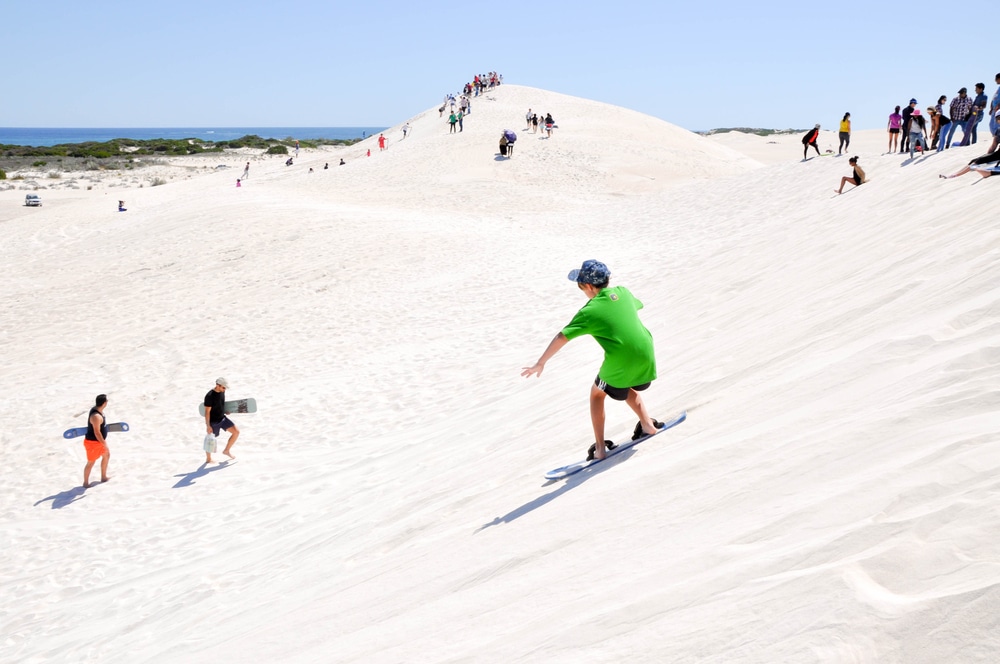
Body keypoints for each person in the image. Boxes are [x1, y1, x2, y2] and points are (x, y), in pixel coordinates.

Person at [521, 260, 661, 461]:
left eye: (580, 286)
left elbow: (563, 336)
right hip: (647, 359)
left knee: (597, 393)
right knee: (621, 385)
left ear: (587, 286)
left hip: (622, 362)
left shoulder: (590, 311)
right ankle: (647, 424)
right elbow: (634, 307)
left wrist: (540, 362)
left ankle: (600, 449)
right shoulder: (623, 292)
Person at [204, 377, 239, 460]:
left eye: (225, 387)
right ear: (217, 385)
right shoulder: (209, 396)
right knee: (210, 440)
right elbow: (207, 412)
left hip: (222, 418)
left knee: (236, 432)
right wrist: (208, 426)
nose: (225, 389)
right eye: (223, 387)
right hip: (213, 422)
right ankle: (208, 459)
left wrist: (225, 411)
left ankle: (226, 451)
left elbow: (219, 404)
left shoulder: (222, 391)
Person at [82, 394, 111, 487]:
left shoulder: (98, 410)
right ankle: (85, 483)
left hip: (98, 442)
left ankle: (103, 477)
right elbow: (97, 432)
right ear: (104, 403)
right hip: (93, 443)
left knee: (106, 455)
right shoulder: (96, 416)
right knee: (91, 462)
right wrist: (104, 443)